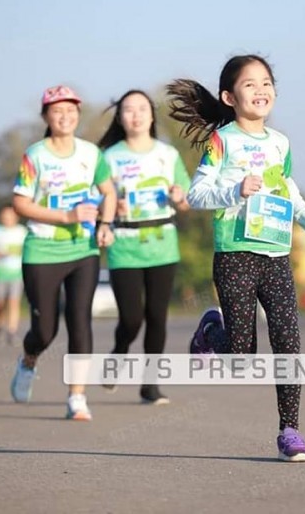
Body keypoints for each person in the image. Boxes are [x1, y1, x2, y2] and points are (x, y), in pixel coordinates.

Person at [167, 55, 305, 462]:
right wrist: (236, 190)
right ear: (229, 97)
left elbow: (289, 193)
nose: (261, 90)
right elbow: (196, 195)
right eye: (250, 84)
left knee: (288, 341)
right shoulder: (222, 141)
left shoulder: (280, 143)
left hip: (275, 254)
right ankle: (211, 332)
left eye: (266, 82)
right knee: (242, 356)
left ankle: (290, 431)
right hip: (235, 255)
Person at [10, 85, 117, 421]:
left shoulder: (91, 154)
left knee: (79, 320)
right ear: (46, 116)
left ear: (78, 114)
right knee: (45, 331)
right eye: (57, 110)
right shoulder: (35, 156)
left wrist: (106, 224)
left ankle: (77, 397)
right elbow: (20, 203)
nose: (65, 116)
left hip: (83, 250)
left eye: (71, 110)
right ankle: (28, 360)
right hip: (42, 251)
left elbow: (109, 192)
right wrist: (66, 216)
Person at [98, 89, 191, 404]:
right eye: (128, 109)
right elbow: (95, 198)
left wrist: (179, 196)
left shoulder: (168, 154)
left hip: (162, 245)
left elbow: (187, 199)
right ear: (120, 117)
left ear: (152, 115)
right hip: (124, 245)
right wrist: (110, 207)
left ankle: (150, 385)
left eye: (142, 108)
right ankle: (118, 352)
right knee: (131, 319)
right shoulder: (108, 157)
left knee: (157, 316)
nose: (135, 115)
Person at [0, 205, 28, 346]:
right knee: (0, 303)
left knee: (14, 302)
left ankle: (12, 331)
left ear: (16, 216)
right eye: (4, 215)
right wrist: (0, 253)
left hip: (17, 272)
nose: (7, 218)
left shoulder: (22, 231)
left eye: (10, 215)